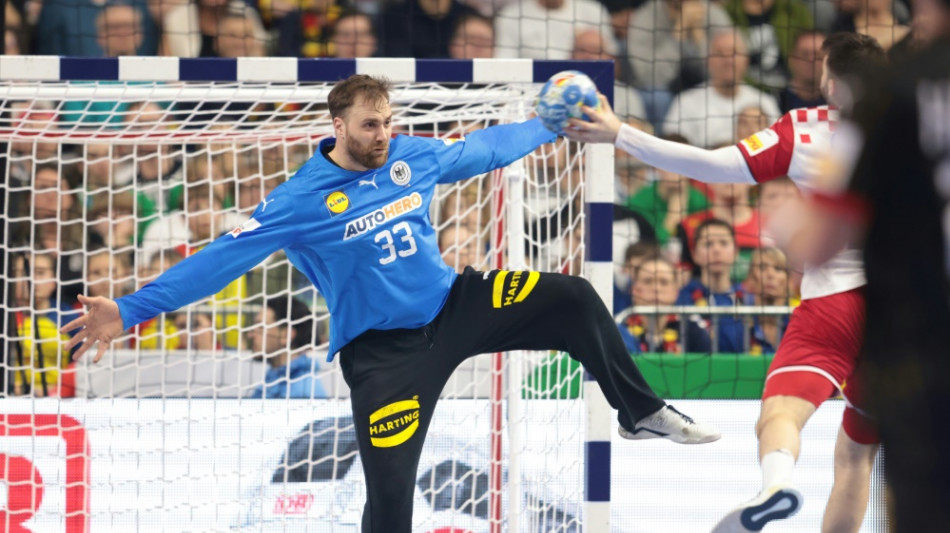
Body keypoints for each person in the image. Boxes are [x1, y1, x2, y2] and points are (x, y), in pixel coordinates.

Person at [62, 74, 720, 533]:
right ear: (338, 124)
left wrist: (545, 125)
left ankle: (638, 411)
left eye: (388, 122)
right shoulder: (298, 200)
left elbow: (482, 150)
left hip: (457, 305)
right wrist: (129, 310)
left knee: (575, 297)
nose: (383, 134)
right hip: (383, 357)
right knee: (391, 503)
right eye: (370, 125)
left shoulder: (411, 157)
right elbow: (219, 260)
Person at [563, 32, 887, 533]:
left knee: (781, 409)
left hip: (834, 307)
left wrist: (618, 133)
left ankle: (775, 485)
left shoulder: (805, 129)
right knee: (857, 453)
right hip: (904, 311)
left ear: (831, 81)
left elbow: (715, 166)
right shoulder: (919, 131)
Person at [783, 0, 950, 527]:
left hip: (917, 340)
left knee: (916, 495)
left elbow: (819, 240)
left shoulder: (891, 94)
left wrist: (786, 224)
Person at [662, 28, 782, 148]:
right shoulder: (686, 102)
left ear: (746, 60)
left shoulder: (765, 102)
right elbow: (673, 149)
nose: (728, 60)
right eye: (720, 54)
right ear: (708, 60)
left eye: (734, 53)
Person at [675, 219, 747, 353]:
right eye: (708, 244)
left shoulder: (748, 299)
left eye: (723, 243)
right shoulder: (681, 298)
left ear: (736, 252)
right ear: (694, 254)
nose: (716, 250)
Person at [617, 256, 712, 354]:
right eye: (648, 281)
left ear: (675, 291)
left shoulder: (693, 333)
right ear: (634, 290)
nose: (656, 288)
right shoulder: (620, 333)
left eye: (664, 282)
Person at [245, 296, 327, 399]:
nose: (250, 334)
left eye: (261, 327)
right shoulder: (270, 383)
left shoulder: (306, 392)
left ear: (286, 335)